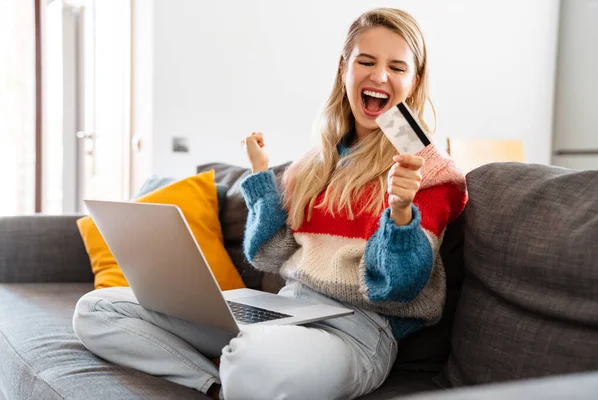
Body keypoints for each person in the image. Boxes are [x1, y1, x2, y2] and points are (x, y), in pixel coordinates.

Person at [72, 7, 467, 400]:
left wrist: (400, 212)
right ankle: (214, 385)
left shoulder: (429, 170)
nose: (379, 76)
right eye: (366, 61)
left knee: (250, 360)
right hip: (284, 309)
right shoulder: (316, 163)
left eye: (397, 68)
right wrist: (262, 178)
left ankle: (237, 368)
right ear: (344, 69)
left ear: (414, 82)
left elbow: (396, 288)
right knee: (96, 310)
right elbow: (269, 254)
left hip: (358, 331)